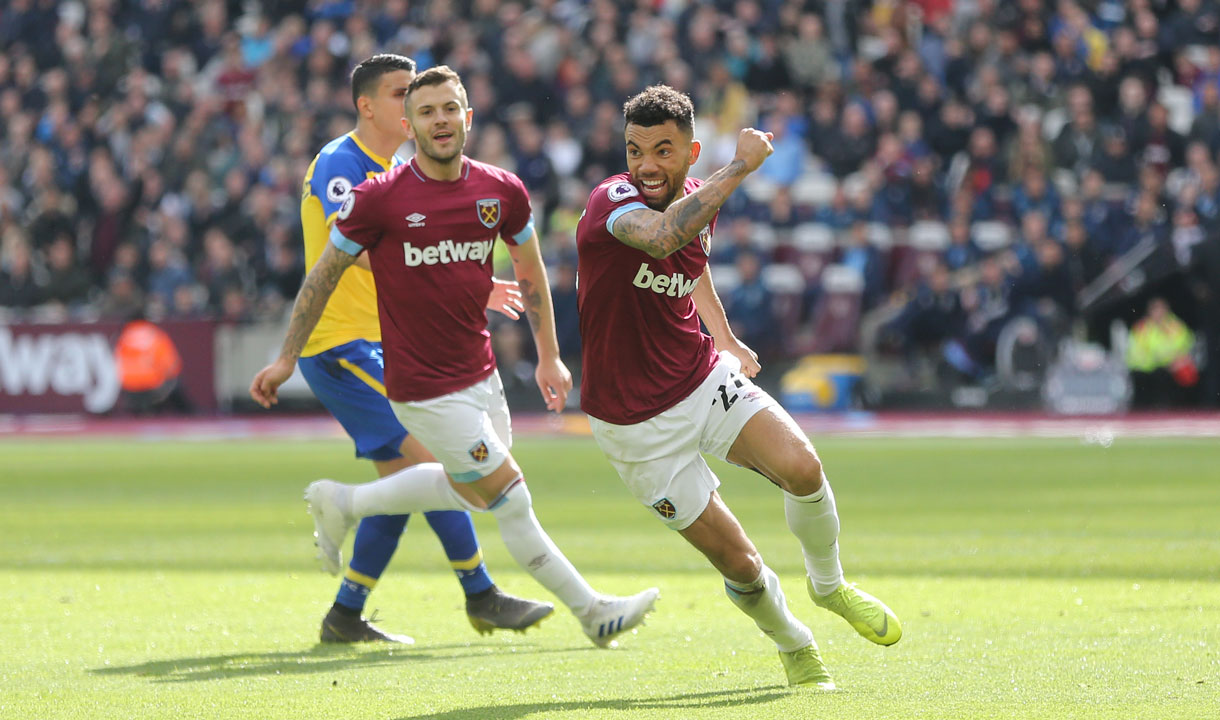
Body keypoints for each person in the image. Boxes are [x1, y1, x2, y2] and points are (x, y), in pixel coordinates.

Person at [250, 65, 658, 649]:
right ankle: (588, 611)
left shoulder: (501, 189)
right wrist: (288, 357)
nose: (438, 119)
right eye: (422, 109)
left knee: (467, 488)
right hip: (416, 383)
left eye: (449, 109)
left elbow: (530, 269)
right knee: (509, 496)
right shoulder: (376, 193)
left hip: (481, 372)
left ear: (468, 117)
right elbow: (325, 272)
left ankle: (345, 504)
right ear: (408, 124)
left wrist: (548, 357)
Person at [573, 86, 902, 689]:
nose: (646, 165)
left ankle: (828, 586)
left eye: (663, 151)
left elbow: (690, 265)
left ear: (690, 152)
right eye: (635, 150)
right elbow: (663, 238)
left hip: (700, 379)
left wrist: (724, 336)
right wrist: (742, 166)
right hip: (634, 427)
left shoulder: (701, 195)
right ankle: (794, 644)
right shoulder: (610, 202)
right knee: (741, 564)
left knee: (803, 468)